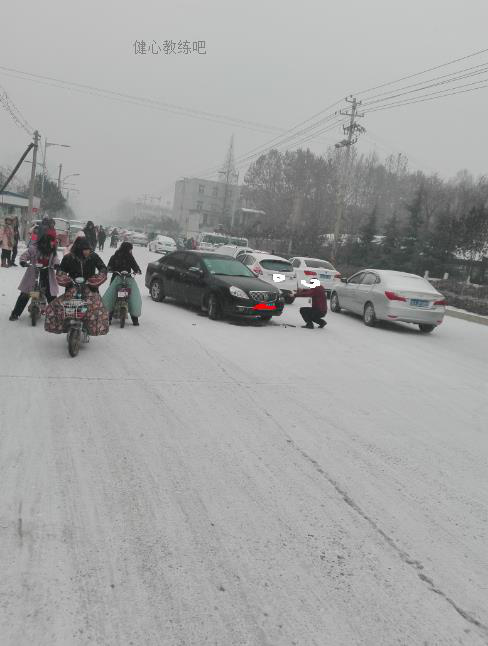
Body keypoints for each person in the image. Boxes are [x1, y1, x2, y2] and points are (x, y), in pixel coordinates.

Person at [44, 237, 109, 336]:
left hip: (90, 288)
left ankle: (92, 328)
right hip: (72, 288)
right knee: (57, 307)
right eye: (85, 249)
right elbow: (61, 272)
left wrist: (95, 280)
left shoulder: (94, 256)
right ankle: (63, 326)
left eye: (88, 249)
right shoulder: (68, 258)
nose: (88, 251)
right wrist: (67, 281)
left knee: (96, 308)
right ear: (79, 249)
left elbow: (103, 268)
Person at [9, 234, 59, 321]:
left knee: (51, 294)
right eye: (51, 241)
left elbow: (55, 259)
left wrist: (56, 265)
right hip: (33, 273)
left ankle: (56, 315)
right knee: (26, 293)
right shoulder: (34, 249)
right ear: (45, 242)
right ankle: (15, 314)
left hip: (46, 272)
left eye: (53, 242)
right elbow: (25, 255)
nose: (53, 243)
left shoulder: (52, 251)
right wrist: (23, 261)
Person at [102, 242, 142, 326]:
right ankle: (135, 319)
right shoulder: (126, 257)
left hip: (120, 279)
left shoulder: (116, 256)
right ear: (128, 249)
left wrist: (137, 270)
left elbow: (135, 266)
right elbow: (134, 266)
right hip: (122, 279)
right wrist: (137, 270)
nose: (131, 251)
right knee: (130, 298)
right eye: (130, 249)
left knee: (112, 297)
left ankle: (109, 318)